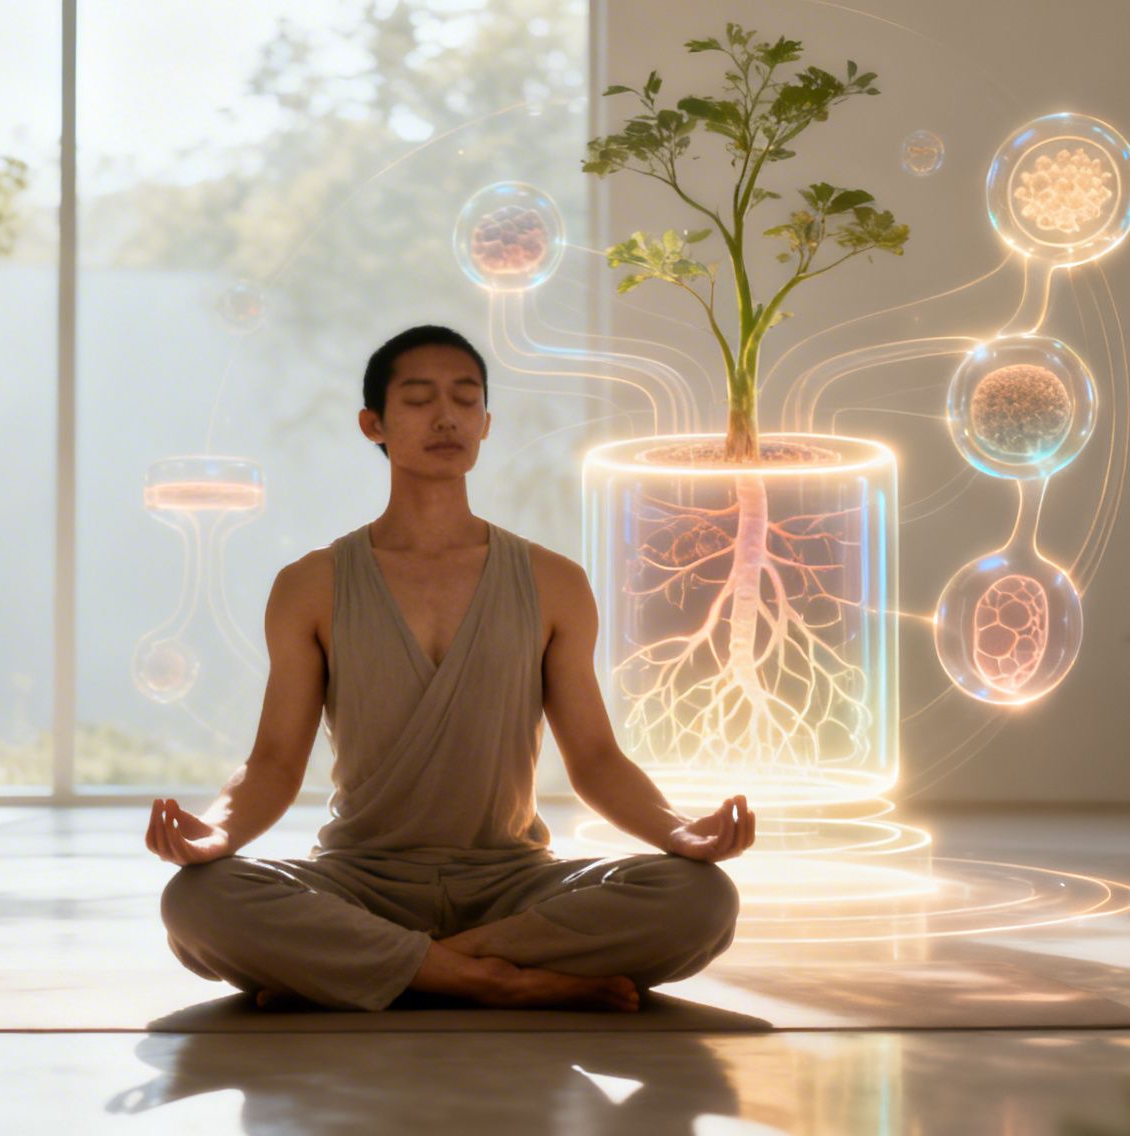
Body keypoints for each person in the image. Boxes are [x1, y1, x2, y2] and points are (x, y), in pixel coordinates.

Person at [147, 324, 754, 1013]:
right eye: (418, 399)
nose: (446, 417)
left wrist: (679, 832)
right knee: (198, 902)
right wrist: (219, 832)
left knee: (702, 899)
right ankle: (495, 978)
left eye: (466, 400)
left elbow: (594, 757)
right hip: (359, 882)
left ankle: (391, 966)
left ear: (486, 423)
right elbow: (275, 763)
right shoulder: (310, 585)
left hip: (513, 887)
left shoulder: (554, 582)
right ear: (372, 423)